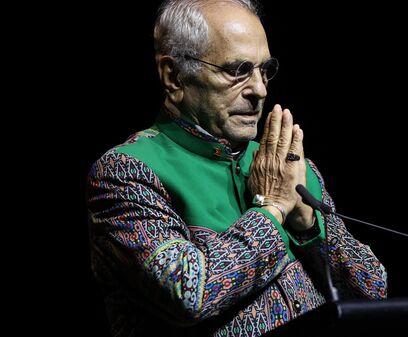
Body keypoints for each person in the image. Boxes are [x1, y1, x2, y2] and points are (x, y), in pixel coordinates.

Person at [87, 0, 387, 336]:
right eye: (237, 70)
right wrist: (273, 209)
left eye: (264, 70)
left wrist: (306, 227)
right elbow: (189, 294)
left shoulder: (286, 165)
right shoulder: (126, 171)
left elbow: (372, 292)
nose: (259, 90)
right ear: (173, 76)